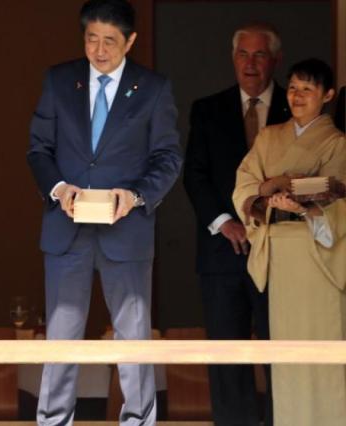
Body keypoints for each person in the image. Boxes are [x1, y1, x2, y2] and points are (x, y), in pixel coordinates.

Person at [27, 1, 182, 424]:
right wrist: (59, 189)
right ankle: (54, 420)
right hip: (66, 228)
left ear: (130, 41)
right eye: (91, 38)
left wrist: (135, 196)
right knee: (61, 336)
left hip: (126, 230)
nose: (99, 49)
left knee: (133, 338)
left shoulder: (152, 88)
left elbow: (168, 157)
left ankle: (139, 420)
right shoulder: (60, 80)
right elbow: (39, 149)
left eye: (110, 41)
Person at [183, 22, 289, 426]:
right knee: (227, 355)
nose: (250, 63)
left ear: (275, 60)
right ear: (233, 59)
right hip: (221, 254)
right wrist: (225, 221)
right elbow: (195, 174)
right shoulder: (207, 110)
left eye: (259, 54)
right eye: (243, 54)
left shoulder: (295, 107)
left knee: (280, 350)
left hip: (280, 254)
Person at [233, 58, 346, 426]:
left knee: (322, 344)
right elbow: (245, 182)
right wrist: (270, 193)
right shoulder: (269, 136)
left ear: (327, 96)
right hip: (280, 249)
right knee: (286, 353)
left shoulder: (337, 143)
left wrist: (301, 205)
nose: (297, 96)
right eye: (294, 88)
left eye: (308, 89)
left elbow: (338, 197)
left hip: (316, 254)